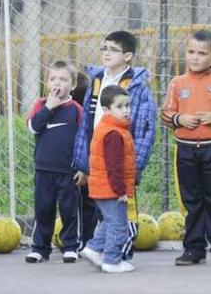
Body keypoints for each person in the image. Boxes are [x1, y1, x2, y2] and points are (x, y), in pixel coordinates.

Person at [72, 30, 156, 259]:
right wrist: (83, 165)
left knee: (123, 212)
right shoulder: (97, 80)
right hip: (98, 161)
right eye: (104, 48)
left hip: (121, 161)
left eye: (113, 49)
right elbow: (85, 125)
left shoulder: (138, 86)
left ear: (128, 56)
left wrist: (135, 166)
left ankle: (118, 255)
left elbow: (145, 130)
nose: (106, 53)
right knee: (107, 211)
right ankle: (105, 253)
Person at [161, 30, 211, 266]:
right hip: (185, 150)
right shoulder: (177, 83)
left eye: (202, 53)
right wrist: (179, 119)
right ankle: (193, 248)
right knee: (191, 200)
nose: (195, 58)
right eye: (191, 52)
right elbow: (166, 115)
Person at [25, 60, 84, 264]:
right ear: (47, 83)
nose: (57, 83)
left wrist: (82, 168)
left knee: (69, 210)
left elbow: (83, 140)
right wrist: (49, 107)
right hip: (44, 169)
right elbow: (33, 128)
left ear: (73, 85)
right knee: (43, 209)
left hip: (68, 171)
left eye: (63, 79)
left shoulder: (76, 110)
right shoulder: (41, 105)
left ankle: (70, 246)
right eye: (53, 79)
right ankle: (40, 248)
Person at [79, 85, 135, 274]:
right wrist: (121, 191)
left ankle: (93, 248)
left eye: (127, 105)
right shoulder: (114, 134)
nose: (126, 110)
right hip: (111, 189)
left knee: (109, 221)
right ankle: (112, 260)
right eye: (120, 107)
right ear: (106, 110)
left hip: (102, 187)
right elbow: (114, 167)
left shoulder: (109, 128)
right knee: (118, 225)